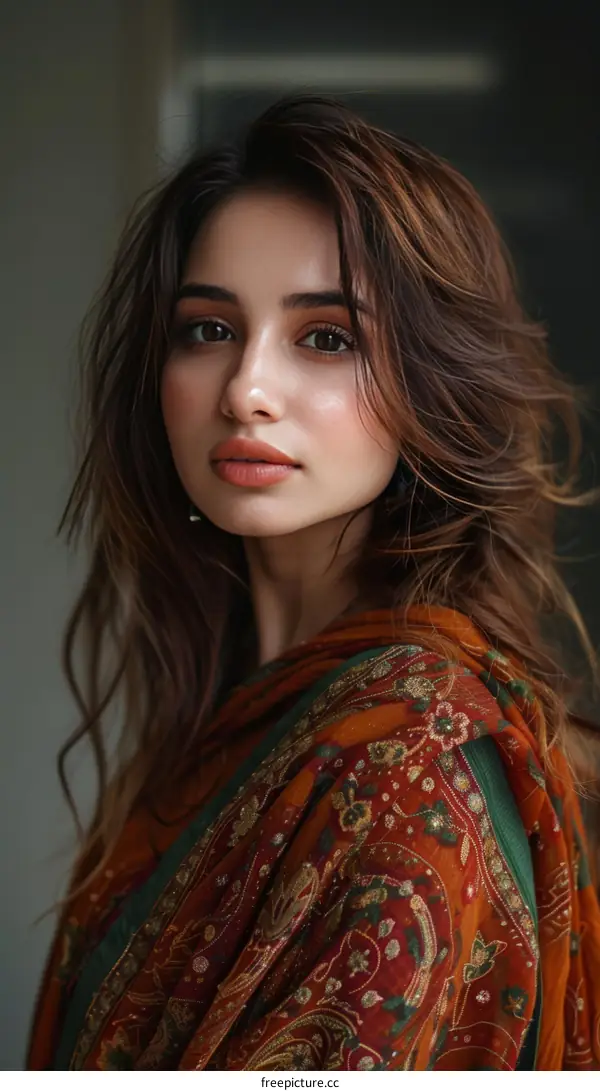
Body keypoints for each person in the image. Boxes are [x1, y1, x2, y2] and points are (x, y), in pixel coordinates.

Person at [27, 94, 600, 1071]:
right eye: (207, 329)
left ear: (427, 387)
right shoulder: (235, 714)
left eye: (325, 337)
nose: (246, 385)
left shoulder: (412, 751)